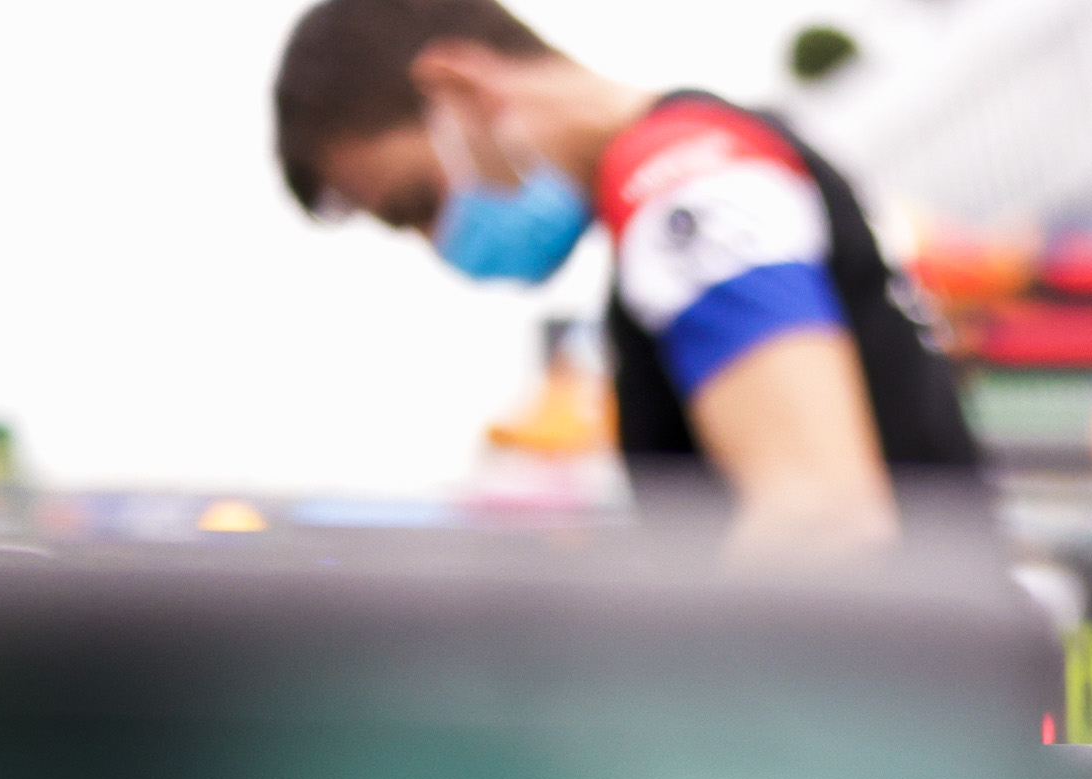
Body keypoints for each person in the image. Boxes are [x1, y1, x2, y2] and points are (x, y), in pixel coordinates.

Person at [272, 0, 983, 561]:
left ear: (458, 85)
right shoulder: (698, 166)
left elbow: (820, 515)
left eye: (415, 205)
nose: (439, 244)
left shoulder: (682, 185)